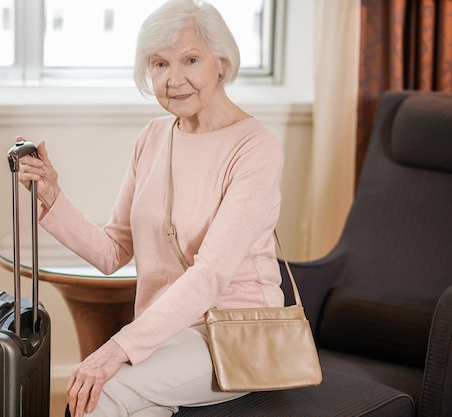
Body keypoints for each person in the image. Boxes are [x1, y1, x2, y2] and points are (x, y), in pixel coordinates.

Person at [17, 0, 285, 415]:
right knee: (111, 400)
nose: (173, 79)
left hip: (234, 334)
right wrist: (53, 195)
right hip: (165, 332)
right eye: (159, 64)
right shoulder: (154, 137)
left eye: (190, 60)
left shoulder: (255, 148)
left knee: (101, 391)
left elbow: (211, 273)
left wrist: (117, 348)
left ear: (221, 62)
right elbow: (113, 252)